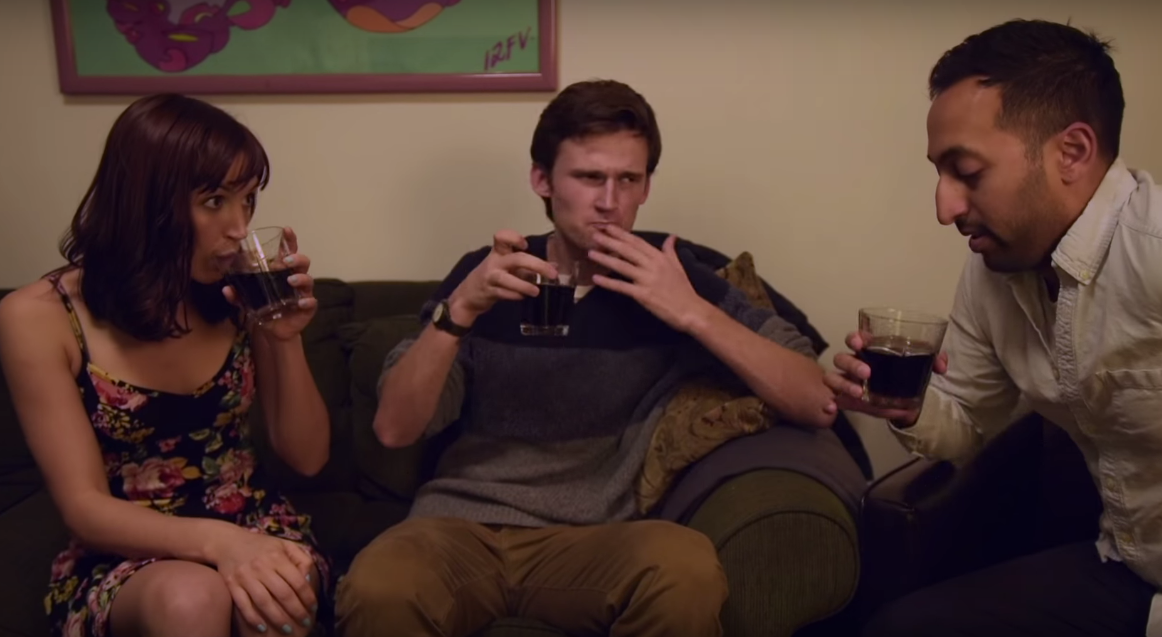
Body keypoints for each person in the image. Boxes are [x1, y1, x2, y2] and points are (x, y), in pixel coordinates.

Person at [335, 79, 838, 636]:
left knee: (686, 570)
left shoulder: (672, 273)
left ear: (647, 187)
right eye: (590, 177)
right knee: (379, 584)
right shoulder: (492, 270)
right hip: (460, 528)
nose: (609, 202)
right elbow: (395, 429)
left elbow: (816, 400)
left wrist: (692, 312)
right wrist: (461, 309)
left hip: (598, 540)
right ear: (542, 181)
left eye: (628, 179)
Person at [826, 19, 1162, 637]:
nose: (944, 207)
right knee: (898, 628)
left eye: (967, 172)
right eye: (940, 173)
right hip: (1129, 567)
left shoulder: (1153, 249)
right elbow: (967, 421)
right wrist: (907, 405)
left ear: (1072, 152)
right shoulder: (992, 275)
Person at [0, 94, 333, 637]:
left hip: (253, 523)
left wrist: (285, 339)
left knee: (275, 594)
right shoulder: (38, 317)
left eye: (248, 199)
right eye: (214, 200)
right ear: (146, 203)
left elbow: (308, 457)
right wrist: (221, 545)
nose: (238, 227)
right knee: (190, 597)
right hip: (127, 551)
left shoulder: (239, 292)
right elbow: (83, 507)